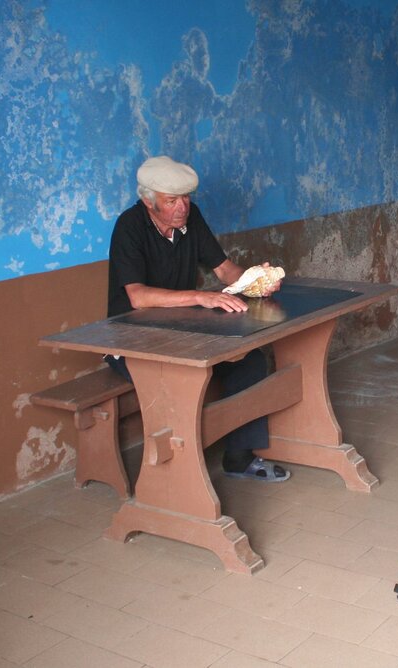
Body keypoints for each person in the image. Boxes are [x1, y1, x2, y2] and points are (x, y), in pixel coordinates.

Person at [106, 155, 289, 482]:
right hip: (132, 340)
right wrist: (200, 297)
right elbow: (138, 296)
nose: (182, 207)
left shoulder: (191, 219)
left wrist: (254, 281)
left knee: (249, 362)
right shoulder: (129, 227)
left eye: (186, 198)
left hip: (184, 330)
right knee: (177, 380)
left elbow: (224, 269)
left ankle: (239, 458)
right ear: (149, 202)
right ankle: (177, 478)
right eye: (171, 201)